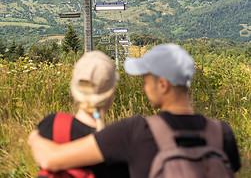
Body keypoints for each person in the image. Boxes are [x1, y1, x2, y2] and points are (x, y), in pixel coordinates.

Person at [29, 44, 241, 178]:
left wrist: (34, 138)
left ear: (163, 84)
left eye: (146, 80)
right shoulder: (222, 133)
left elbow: (51, 159)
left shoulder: (136, 131)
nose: (143, 87)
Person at [36, 50, 129, 178]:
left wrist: (33, 138)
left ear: (74, 88)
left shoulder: (51, 124)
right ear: (111, 93)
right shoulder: (119, 146)